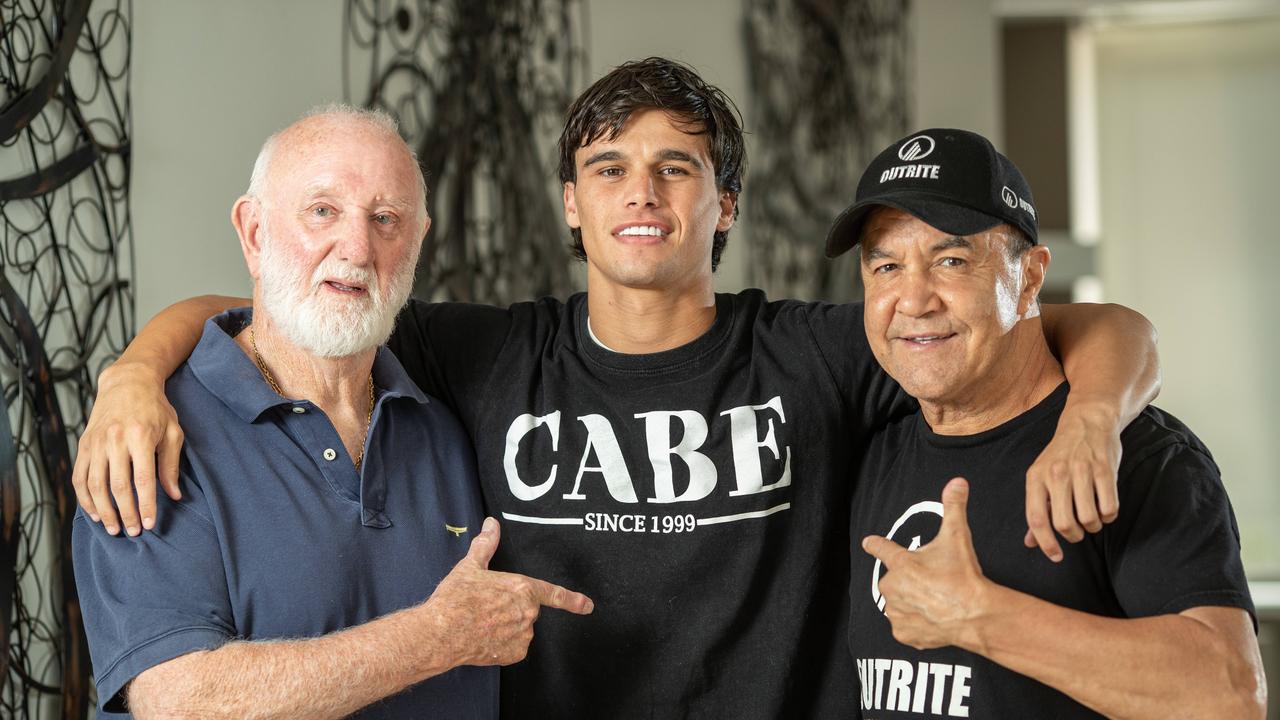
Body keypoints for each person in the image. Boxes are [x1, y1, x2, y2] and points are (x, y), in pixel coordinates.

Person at [73, 60, 1161, 717]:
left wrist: (1093, 418)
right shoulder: (487, 353)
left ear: (722, 204)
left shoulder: (818, 354)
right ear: (570, 206)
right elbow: (281, 307)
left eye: (676, 167)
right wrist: (134, 373)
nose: (640, 193)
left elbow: (1081, 323)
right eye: (608, 169)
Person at [71, 106, 593, 720]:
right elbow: (182, 702)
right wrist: (437, 638)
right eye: (323, 211)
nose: (356, 248)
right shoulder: (149, 438)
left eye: (385, 219)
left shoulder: (444, 425)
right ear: (254, 233)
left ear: (418, 240)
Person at [834, 128, 1265, 718]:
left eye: (951, 260)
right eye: (885, 266)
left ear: (1031, 276)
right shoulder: (869, 444)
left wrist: (978, 615)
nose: (914, 300)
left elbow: (1227, 695)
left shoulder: (1133, 454)